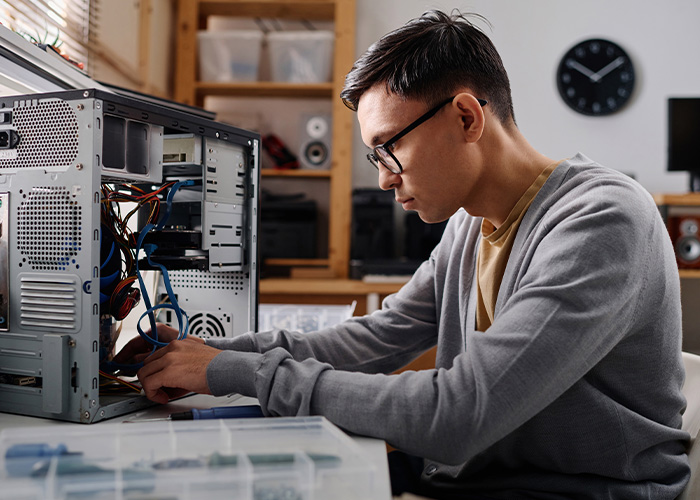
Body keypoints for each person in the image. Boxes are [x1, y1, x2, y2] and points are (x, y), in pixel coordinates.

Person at [115, 10, 691, 499]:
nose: (386, 180)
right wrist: (210, 354)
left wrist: (240, 373)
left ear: (467, 117)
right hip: (492, 477)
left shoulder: (602, 220)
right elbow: (371, 339)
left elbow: (459, 414)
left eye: (388, 148)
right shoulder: (471, 227)